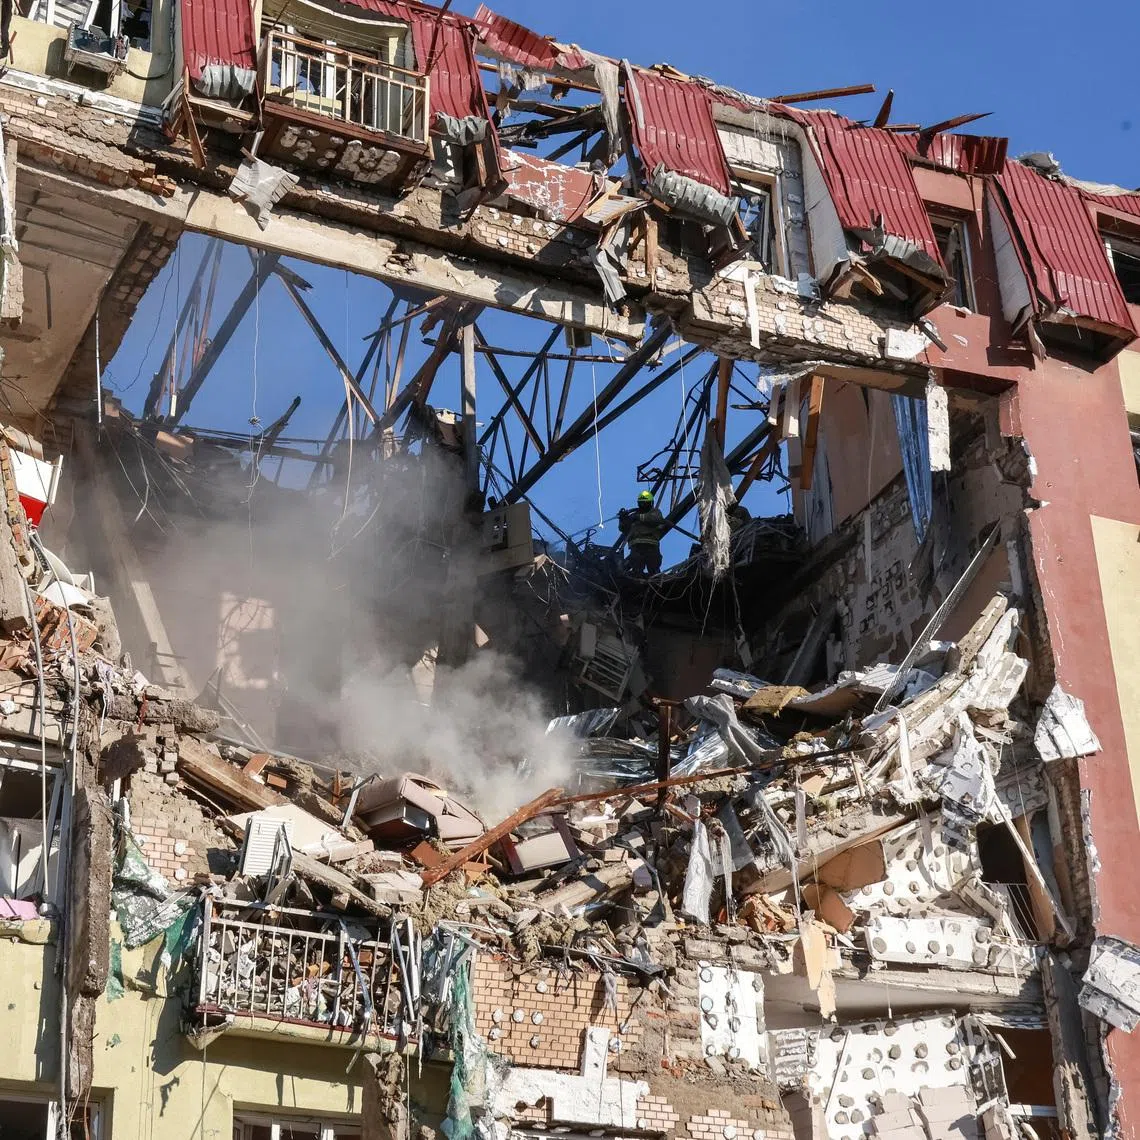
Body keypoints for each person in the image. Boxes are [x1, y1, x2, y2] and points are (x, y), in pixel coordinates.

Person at [618, 491, 667, 576]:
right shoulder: (633, 515)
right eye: (641, 503)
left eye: (645, 503)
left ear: (650, 503)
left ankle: (656, 582)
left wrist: (638, 517)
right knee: (636, 570)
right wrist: (623, 519)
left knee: (654, 570)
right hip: (636, 548)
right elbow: (623, 528)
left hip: (651, 547)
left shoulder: (655, 512)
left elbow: (655, 519)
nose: (643, 505)